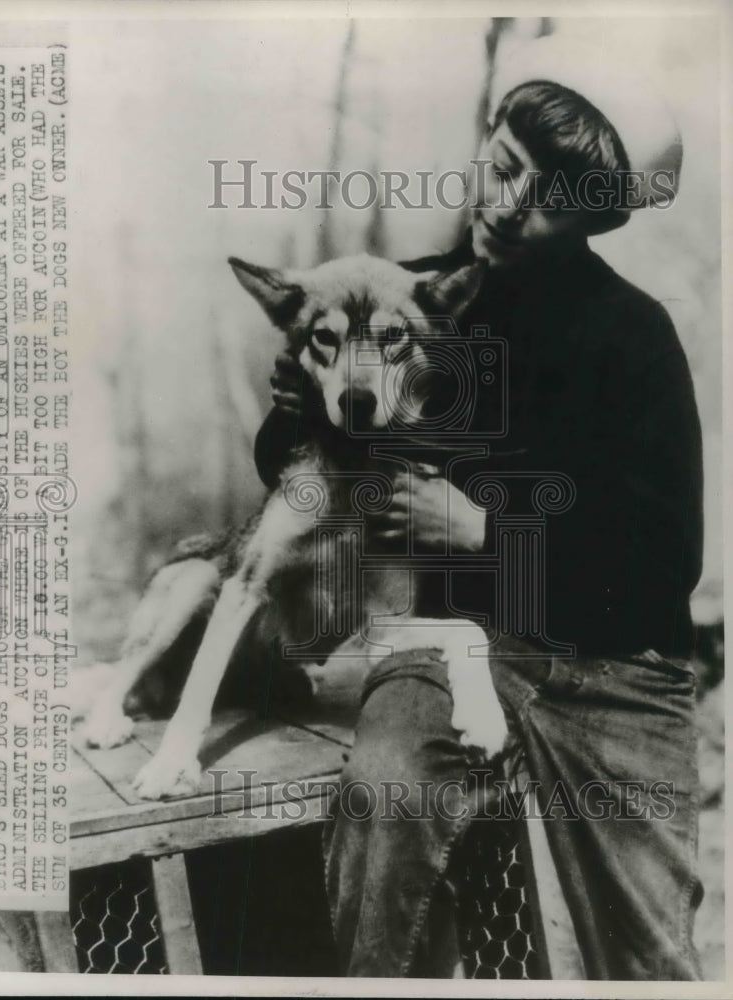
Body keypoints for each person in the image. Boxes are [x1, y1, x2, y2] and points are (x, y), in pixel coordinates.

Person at [254, 37, 704, 980]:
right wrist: (297, 404)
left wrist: (485, 534)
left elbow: (663, 567)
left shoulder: (634, 336)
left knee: (652, 958)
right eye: (501, 167)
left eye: (541, 197)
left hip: (613, 670)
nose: (503, 202)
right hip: (446, 641)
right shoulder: (414, 300)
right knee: (383, 812)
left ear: (595, 218)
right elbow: (299, 467)